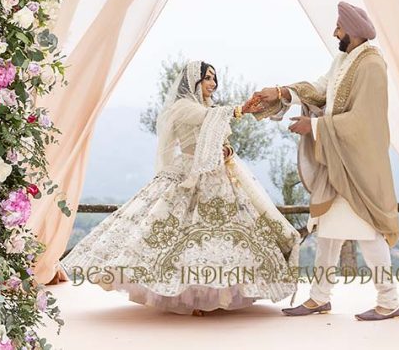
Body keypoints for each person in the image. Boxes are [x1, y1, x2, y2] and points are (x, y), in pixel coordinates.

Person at [61, 60, 300, 315]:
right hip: (188, 172)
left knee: (218, 237)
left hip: (219, 175)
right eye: (207, 77)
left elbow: (221, 137)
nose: (213, 83)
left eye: (214, 78)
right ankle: (192, 298)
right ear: (192, 81)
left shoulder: (210, 107)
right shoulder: (182, 107)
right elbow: (206, 119)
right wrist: (240, 109)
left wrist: (227, 149)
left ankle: (218, 295)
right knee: (183, 235)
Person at [245, 1, 399, 321]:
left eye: (339, 28)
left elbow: (365, 120)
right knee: (328, 230)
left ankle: (389, 300)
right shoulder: (344, 60)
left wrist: (314, 126)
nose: (335, 32)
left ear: (354, 32)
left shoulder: (372, 66)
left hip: (356, 165)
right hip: (336, 160)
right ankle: (319, 297)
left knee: (367, 231)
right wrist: (280, 92)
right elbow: (319, 91)